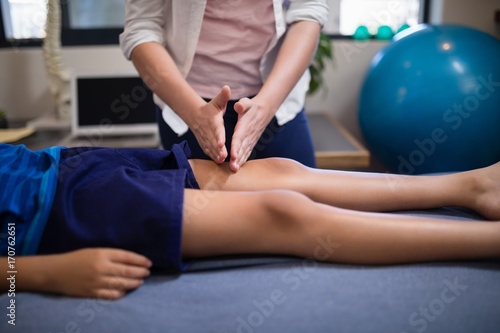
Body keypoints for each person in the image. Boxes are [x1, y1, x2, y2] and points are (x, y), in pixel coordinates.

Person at [1, 142, 499, 300]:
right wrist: (39, 273)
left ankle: (470, 186)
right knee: (283, 212)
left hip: (55, 163)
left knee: (280, 173)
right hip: (42, 219)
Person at [119, 0, 329, 172]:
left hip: (276, 103)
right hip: (187, 107)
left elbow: (308, 10)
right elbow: (141, 28)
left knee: (300, 212)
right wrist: (196, 116)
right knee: (200, 219)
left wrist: (266, 107)